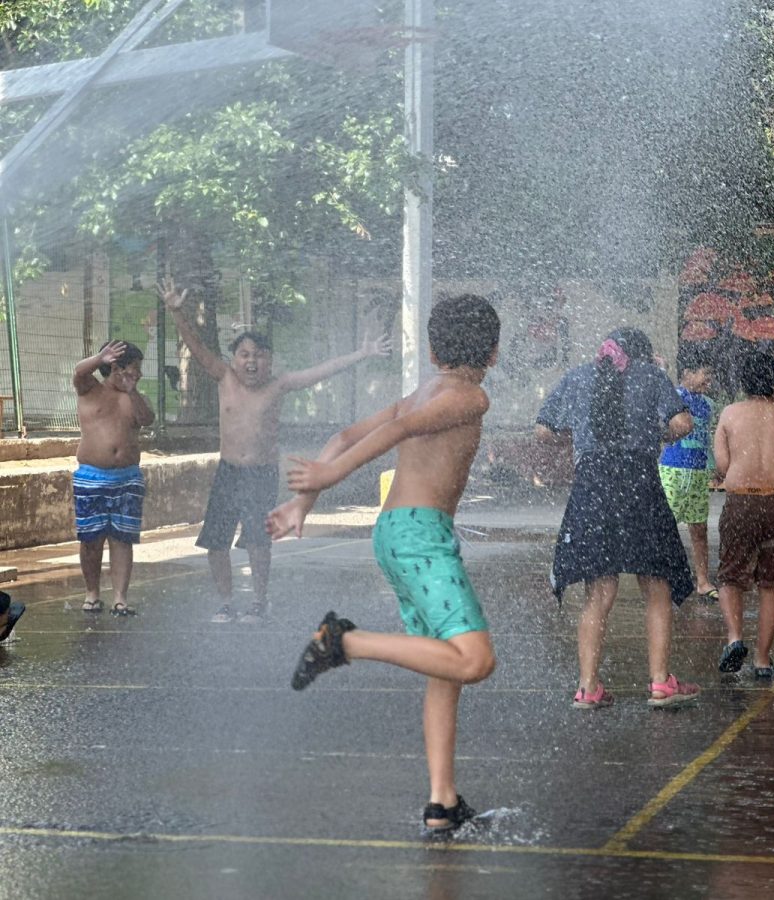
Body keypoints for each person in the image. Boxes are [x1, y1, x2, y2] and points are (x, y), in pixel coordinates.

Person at [266, 293, 499, 833]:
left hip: (401, 533)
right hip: (419, 535)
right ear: (493, 350)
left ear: (433, 349)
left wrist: (305, 501)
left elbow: (346, 434)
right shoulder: (471, 397)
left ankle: (442, 802)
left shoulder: (425, 390)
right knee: (474, 659)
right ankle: (344, 641)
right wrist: (325, 480)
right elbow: (395, 433)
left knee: (444, 662)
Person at [160, 280, 391, 624]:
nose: (251, 361)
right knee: (216, 541)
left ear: (269, 361)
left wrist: (363, 353)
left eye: (259, 355)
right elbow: (195, 347)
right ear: (234, 359)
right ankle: (225, 602)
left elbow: (321, 372)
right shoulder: (225, 378)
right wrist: (176, 311)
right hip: (229, 471)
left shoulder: (279, 384)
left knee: (257, 541)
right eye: (245, 354)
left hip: (260, 473)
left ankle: (258, 600)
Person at [535, 327, 700, 709]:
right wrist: (658, 435)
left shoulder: (578, 376)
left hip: (592, 485)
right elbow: (682, 425)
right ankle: (660, 683)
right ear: (642, 355)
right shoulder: (650, 375)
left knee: (599, 591)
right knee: (655, 584)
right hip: (639, 481)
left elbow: (542, 429)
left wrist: (575, 438)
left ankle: (588, 687)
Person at [713, 352, 774, 678]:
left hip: (740, 503)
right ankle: (763, 659)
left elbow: (723, 467)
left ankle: (735, 637)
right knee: (772, 582)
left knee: (729, 575)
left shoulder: (729, 413)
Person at [73, 340, 155, 616]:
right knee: (91, 539)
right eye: (134, 370)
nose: (139, 375)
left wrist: (133, 391)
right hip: (91, 477)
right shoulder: (91, 390)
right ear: (116, 369)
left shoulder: (132, 397)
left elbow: (147, 419)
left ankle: (120, 597)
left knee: (122, 539)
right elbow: (78, 372)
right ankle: (92, 593)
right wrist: (99, 358)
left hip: (127, 477)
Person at [658, 347, 718, 599]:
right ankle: (663, 577)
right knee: (665, 526)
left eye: (711, 376)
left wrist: (713, 466)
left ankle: (703, 581)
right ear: (687, 373)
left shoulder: (708, 405)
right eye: (706, 374)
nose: (709, 380)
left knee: (699, 528)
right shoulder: (672, 397)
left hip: (697, 474)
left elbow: (707, 438)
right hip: (672, 470)